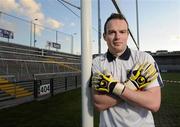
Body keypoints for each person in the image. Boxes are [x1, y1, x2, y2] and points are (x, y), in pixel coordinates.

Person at [91, 13, 163, 127]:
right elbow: (99, 103)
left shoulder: (145, 59)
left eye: (122, 32)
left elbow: (154, 103)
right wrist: (133, 87)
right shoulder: (97, 62)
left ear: (128, 34)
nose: (117, 37)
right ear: (104, 36)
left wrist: (113, 87)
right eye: (112, 32)